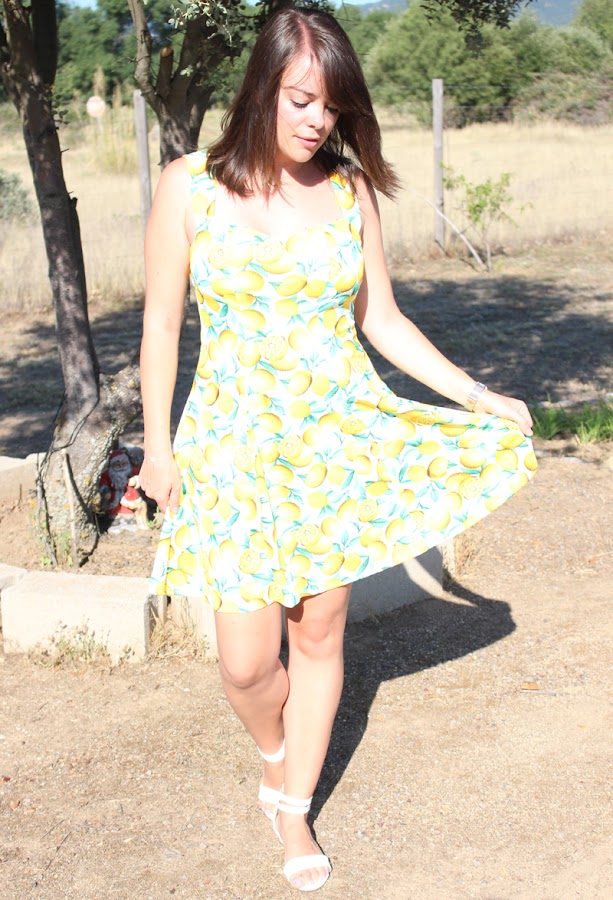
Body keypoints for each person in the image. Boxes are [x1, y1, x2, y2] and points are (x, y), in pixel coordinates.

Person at [139, 5, 536, 892]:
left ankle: (293, 810)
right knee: (245, 663)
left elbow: (381, 320)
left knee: (317, 634)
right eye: (302, 100)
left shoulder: (350, 193)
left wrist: (477, 395)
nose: (318, 120)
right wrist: (158, 450)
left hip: (335, 443)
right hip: (232, 450)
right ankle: (275, 752)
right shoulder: (189, 187)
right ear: (263, 88)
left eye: (332, 106)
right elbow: (161, 325)